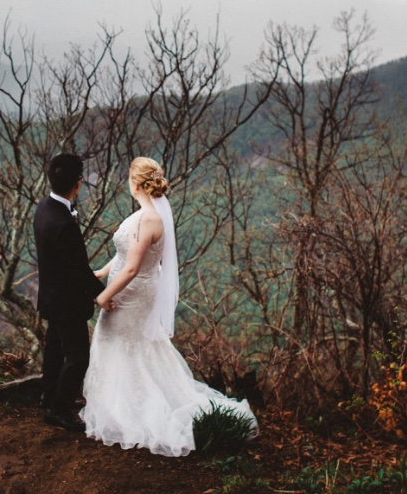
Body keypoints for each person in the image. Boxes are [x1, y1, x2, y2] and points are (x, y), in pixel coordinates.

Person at [81, 157, 257, 456]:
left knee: (119, 341)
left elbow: (133, 267)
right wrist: (100, 272)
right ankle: (119, 400)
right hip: (135, 287)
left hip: (133, 292)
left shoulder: (147, 219)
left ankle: (130, 409)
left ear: (135, 183)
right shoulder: (145, 215)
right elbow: (126, 253)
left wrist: (103, 294)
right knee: (134, 345)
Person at [33, 153, 108, 432]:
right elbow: (78, 270)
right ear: (77, 184)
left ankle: (48, 395)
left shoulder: (44, 208)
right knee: (78, 356)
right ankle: (59, 408)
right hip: (67, 302)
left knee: (54, 349)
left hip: (51, 296)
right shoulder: (63, 223)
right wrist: (102, 295)